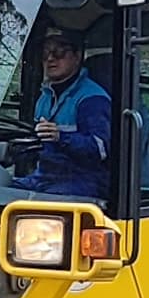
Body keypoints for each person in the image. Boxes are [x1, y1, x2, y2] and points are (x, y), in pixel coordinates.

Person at [20, 24, 112, 196]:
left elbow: (100, 150)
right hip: (44, 178)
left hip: (82, 181)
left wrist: (60, 137)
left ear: (77, 57)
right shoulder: (45, 95)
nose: (50, 59)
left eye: (59, 52)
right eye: (45, 53)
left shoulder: (92, 99)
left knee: (41, 204)